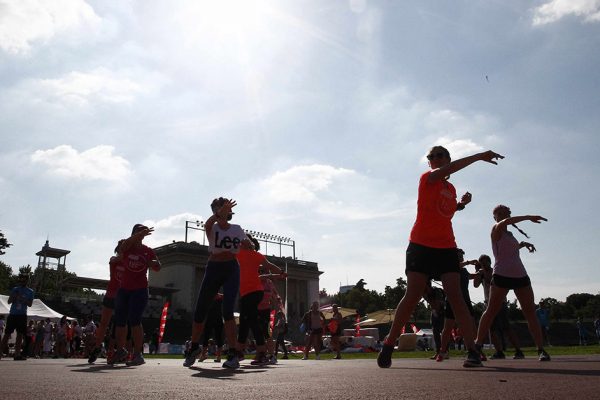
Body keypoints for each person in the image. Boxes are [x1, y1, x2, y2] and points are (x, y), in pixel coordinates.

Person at [377, 146, 503, 369]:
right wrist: (479, 156)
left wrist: (461, 204)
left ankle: (473, 350)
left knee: (456, 296)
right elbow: (451, 170)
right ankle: (389, 343)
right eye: (431, 156)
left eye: (439, 155)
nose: (434, 159)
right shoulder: (428, 178)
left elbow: (446, 210)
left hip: (446, 246)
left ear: (447, 158)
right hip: (420, 244)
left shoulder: (450, 187)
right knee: (413, 293)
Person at [474, 205, 550, 361]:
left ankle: (541, 349)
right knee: (491, 311)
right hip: (501, 275)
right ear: (494, 217)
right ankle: (477, 345)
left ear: (508, 214)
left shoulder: (510, 234)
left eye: (505, 213)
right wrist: (529, 217)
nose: (502, 216)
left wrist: (524, 245)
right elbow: (505, 223)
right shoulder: (496, 229)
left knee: (530, 312)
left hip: (520, 275)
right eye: (499, 214)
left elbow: (511, 250)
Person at [183, 198, 251, 369]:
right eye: (219, 208)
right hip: (214, 267)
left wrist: (248, 244)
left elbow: (247, 244)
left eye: (225, 207)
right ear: (215, 210)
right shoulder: (212, 227)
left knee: (228, 311)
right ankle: (194, 347)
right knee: (200, 310)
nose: (223, 210)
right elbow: (207, 224)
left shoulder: (237, 229)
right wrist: (217, 213)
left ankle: (233, 352)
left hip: (231, 268)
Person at [113, 224, 161, 366]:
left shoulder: (147, 251)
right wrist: (138, 234)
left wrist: (154, 263)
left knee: (135, 320)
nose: (141, 235)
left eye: (142, 232)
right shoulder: (127, 247)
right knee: (120, 321)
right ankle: (121, 350)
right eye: (138, 232)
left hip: (139, 289)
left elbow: (158, 266)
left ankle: (138, 354)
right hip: (124, 289)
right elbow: (123, 247)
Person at [473, 254, 524, 360]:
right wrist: (478, 273)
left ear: (489, 262)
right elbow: (475, 285)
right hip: (488, 303)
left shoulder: (495, 272)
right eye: (481, 263)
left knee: (506, 327)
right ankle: (499, 351)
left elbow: (495, 282)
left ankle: (518, 350)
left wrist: (485, 274)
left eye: (485, 262)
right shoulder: (481, 273)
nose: (483, 264)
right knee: (491, 329)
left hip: (500, 302)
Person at [435, 249, 478, 362]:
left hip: (466, 300)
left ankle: (475, 350)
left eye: (461, 256)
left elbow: (469, 276)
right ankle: (442, 351)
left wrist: (480, 273)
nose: (460, 258)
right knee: (447, 327)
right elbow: (456, 266)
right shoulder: (451, 268)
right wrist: (469, 262)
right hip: (452, 300)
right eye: (458, 256)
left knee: (472, 327)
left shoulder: (463, 270)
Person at [88, 240, 126, 363]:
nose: (123, 249)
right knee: (104, 323)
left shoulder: (128, 262)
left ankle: (119, 350)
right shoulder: (114, 259)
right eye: (122, 247)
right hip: (111, 294)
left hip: (122, 296)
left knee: (120, 325)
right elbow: (117, 260)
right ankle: (97, 347)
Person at [0, 273, 34, 360]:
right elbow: (9, 301)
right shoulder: (15, 289)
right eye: (21, 279)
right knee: (7, 334)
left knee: (20, 335)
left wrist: (23, 299)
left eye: (24, 279)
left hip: (22, 315)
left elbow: (30, 304)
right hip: (13, 314)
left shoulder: (30, 291)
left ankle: (17, 354)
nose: (22, 281)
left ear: (27, 280)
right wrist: (14, 296)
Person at [198, 293, 225, 363]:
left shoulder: (217, 296)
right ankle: (206, 355)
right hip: (214, 318)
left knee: (214, 337)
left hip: (214, 318)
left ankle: (216, 356)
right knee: (208, 337)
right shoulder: (217, 297)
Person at [422, 280, 445, 360]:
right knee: (435, 331)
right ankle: (438, 352)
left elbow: (438, 305)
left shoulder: (437, 291)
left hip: (443, 311)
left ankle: (445, 351)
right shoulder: (424, 293)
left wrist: (435, 308)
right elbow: (432, 305)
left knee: (444, 331)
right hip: (434, 310)